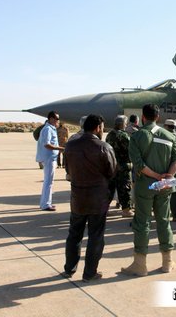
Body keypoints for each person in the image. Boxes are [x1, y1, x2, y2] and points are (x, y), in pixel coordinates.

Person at [121, 104, 176, 277]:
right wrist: (167, 176)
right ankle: (167, 262)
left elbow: (138, 164)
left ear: (143, 117)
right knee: (164, 221)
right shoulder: (170, 135)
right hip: (165, 186)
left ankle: (140, 265)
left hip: (145, 186)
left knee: (142, 223)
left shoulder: (137, 136)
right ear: (158, 117)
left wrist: (155, 176)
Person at [61, 114, 117, 282]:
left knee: (74, 234)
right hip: (98, 199)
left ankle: (69, 268)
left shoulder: (70, 146)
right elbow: (112, 172)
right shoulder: (104, 147)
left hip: (77, 197)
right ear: (98, 128)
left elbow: (67, 169)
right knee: (96, 236)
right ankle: (90, 273)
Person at [105, 115, 133, 218]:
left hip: (111, 167)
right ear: (122, 124)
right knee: (125, 188)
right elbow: (130, 150)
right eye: (125, 123)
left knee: (110, 188)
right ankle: (126, 210)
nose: (126, 125)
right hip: (123, 167)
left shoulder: (109, 135)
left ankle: (105, 209)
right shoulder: (124, 136)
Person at [36, 111, 64, 211]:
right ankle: (46, 205)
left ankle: (45, 203)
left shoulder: (51, 129)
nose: (58, 121)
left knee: (48, 182)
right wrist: (60, 148)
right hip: (49, 158)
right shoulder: (48, 129)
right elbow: (47, 144)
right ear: (51, 119)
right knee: (48, 182)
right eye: (57, 119)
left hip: (50, 158)